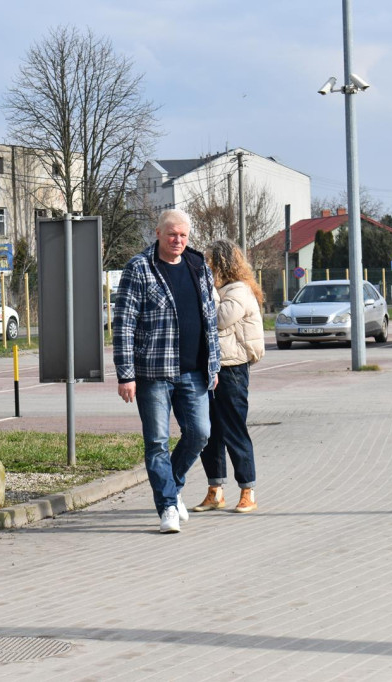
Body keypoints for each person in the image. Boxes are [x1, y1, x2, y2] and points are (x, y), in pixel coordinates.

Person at [113, 209, 220, 533]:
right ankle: (168, 507)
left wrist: (213, 364)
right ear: (158, 232)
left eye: (183, 235)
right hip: (153, 373)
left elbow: (210, 320)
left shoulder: (198, 266)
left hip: (194, 372)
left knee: (200, 433)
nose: (178, 240)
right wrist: (126, 374)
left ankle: (171, 486)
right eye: (172, 234)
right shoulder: (140, 268)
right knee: (157, 442)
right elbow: (123, 324)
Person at [192, 239, 265, 513]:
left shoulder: (239, 291)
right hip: (209, 368)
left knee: (234, 430)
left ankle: (248, 490)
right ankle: (215, 490)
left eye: (209, 261)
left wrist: (208, 291)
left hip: (232, 369)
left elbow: (218, 319)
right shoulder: (222, 289)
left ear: (221, 263)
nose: (205, 266)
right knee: (208, 432)